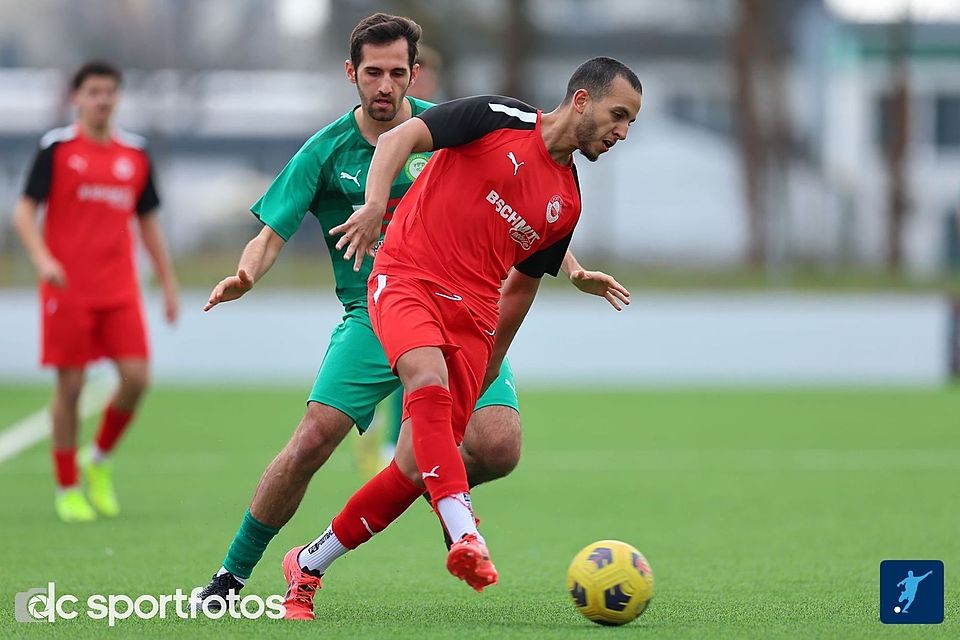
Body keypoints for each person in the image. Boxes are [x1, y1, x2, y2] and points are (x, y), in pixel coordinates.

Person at [192, 14, 628, 612]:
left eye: (397, 73)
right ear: (352, 74)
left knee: (494, 447)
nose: (385, 85)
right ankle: (232, 575)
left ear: (413, 75)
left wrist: (570, 268)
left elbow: (518, 212)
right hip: (383, 301)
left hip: (468, 311)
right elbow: (270, 233)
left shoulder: (456, 124)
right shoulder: (328, 150)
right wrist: (247, 273)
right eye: (373, 72)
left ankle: (326, 549)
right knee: (313, 442)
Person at [11, 60, 180, 523]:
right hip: (68, 290)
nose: (101, 99)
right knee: (70, 387)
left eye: (109, 91)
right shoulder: (58, 149)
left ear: (118, 97)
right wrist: (45, 261)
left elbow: (148, 224)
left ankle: (98, 457)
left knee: (137, 379)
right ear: (77, 97)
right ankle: (67, 485)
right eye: (93, 91)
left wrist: (167, 282)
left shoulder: (135, 156)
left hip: (120, 288)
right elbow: (24, 214)